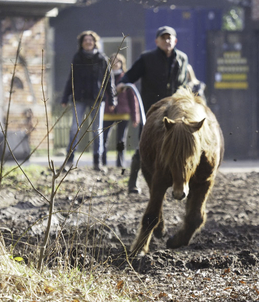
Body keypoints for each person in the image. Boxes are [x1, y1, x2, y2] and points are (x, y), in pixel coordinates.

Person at [117, 25, 191, 193]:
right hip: (152, 111)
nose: (167, 41)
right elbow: (131, 74)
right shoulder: (147, 58)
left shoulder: (182, 58)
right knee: (144, 145)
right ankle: (133, 182)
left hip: (176, 110)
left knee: (179, 145)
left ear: (175, 40)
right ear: (157, 41)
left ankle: (181, 180)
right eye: (164, 38)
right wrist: (123, 83)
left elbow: (183, 83)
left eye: (170, 38)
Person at [60, 30, 116, 172]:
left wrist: (112, 100)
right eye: (85, 40)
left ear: (94, 42)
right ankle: (69, 161)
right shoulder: (77, 58)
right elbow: (70, 79)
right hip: (79, 98)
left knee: (97, 130)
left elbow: (109, 80)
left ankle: (98, 162)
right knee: (75, 128)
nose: (88, 42)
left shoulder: (102, 59)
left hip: (97, 99)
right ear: (82, 43)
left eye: (90, 40)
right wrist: (65, 97)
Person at [101, 53, 141, 168]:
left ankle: (120, 163)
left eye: (118, 61)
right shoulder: (104, 78)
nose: (115, 63)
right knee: (103, 139)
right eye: (112, 61)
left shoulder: (126, 79)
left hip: (123, 113)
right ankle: (103, 162)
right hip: (107, 113)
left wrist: (135, 117)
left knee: (121, 140)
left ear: (121, 63)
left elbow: (133, 99)